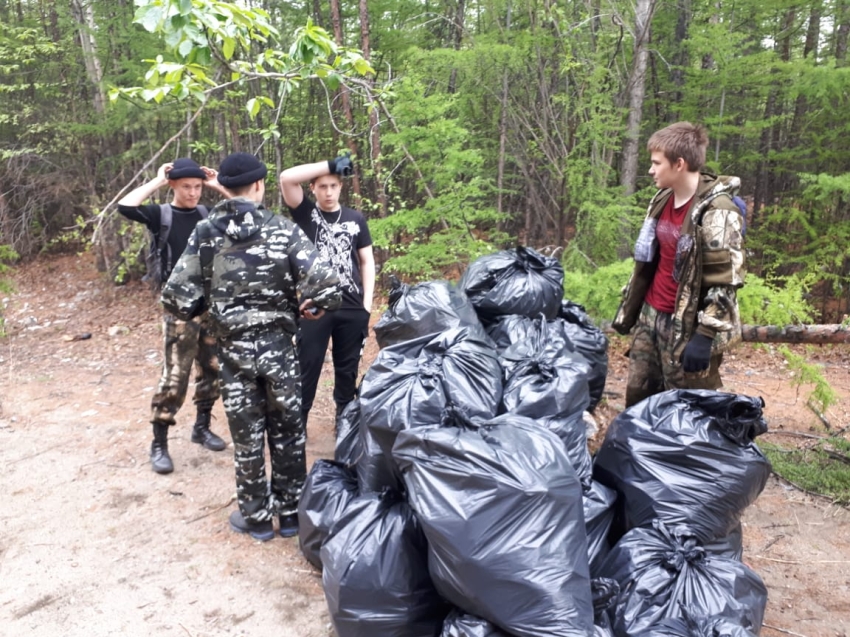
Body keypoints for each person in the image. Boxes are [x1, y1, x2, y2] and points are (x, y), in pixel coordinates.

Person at [161, 152, 342, 541]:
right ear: (259, 186)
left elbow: (175, 297)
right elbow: (329, 287)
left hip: (233, 352)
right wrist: (309, 309)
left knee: (246, 435)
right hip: (280, 350)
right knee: (288, 431)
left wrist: (207, 310)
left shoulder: (206, 232)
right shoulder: (283, 229)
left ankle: (257, 518)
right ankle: (291, 514)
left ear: (224, 188)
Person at [612, 122, 745, 408]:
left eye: (656, 163)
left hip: (685, 325)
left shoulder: (718, 212)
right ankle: (638, 452)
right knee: (640, 399)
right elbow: (650, 258)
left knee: (684, 410)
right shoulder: (662, 198)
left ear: (679, 164)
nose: (651, 170)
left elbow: (725, 281)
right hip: (651, 314)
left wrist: (705, 335)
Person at [117, 158, 229, 474]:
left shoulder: (209, 214)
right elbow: (125, 206)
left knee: (212, 368)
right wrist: (156, 180)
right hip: (179, 305)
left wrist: (216, 185)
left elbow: (249, 210)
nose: (193, 193)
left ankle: (202, 426)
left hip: (210, 303)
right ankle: (159, 442)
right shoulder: (161, 215)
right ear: (174, 187)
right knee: (175, 374)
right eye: (186, 187)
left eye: (196, 187)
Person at [278, 154, 375, 429]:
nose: (329, 192)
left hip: (353, 306)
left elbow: (367, 261)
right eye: (323, 186)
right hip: (314, 307)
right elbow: (286, 178)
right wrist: (331, 165)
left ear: (341, 187)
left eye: (334, 185)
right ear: (313, 189)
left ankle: (344, 424)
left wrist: (366, 306)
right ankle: (298, 424)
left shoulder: (356, 218)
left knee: (347, 370)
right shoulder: (306, 214)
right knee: (307, 366)